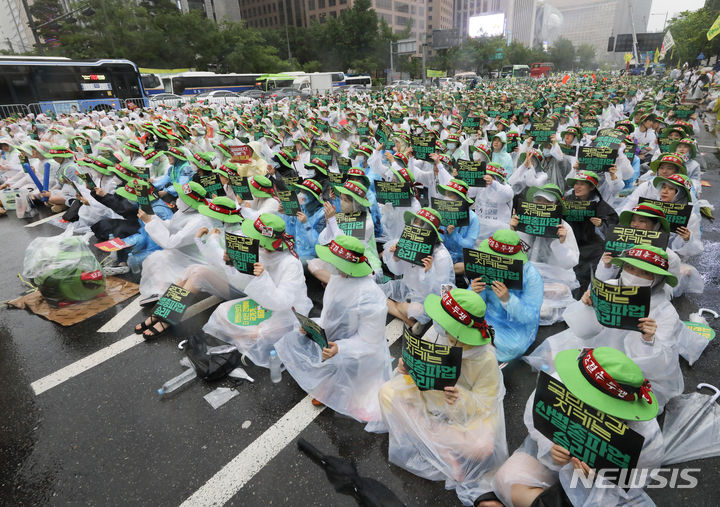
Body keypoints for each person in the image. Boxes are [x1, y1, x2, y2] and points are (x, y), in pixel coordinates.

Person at [525, 244, 708, 408]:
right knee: (559, 391)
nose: (635, 276)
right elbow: (583, 332)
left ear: (659, 279)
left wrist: (648, 340)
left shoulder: (665, 312)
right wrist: (586, 306)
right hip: (595, 355)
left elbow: (659, 365)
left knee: (615, 407)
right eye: (630, 268)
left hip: (630, 372)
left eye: (646, 273)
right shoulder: (609, 287)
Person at [373, 289, 508, 506]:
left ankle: (428, 434)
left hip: (464, 413)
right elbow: (416, 370)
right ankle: (440, 441)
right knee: (387, 392)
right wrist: (406, 370)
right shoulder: (438, 334)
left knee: (483, 447)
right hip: (431, 398)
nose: (444, 329)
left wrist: (461, 397)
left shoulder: (485, 358)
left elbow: (486, 403)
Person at [488, 347, 664, 507]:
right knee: (507, 479)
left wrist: (600, 478)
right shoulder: (561, 383)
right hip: (552, 458)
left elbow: (637, 480)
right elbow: (535, 417)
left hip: (603, 490)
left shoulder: (645, 436)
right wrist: (550, 446)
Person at [274, 235, 392, 422]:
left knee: (345, 377)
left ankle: (336, 381)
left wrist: (341, 348)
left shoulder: (371, 297)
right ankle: (331, 375)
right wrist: (312, 327)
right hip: (333, 342)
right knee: (293, 339)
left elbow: (370, 342)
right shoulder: (337, 280)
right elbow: (329, 318)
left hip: (359, 354)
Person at [203, 213, 313, 368]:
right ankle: (244, 344)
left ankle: (245, 344)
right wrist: (232, 264)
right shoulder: (259, 252)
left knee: (260, 333)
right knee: (221, 311)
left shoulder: (290, 264)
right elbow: (241, 283)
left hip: (288, 310)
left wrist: (262, 278)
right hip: (261, 301)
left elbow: (282, 302)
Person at [469, 230, 543, 362]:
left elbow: (531, 316)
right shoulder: (484, 263)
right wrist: (473, 292)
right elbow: (473, 305)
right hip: (485, 318)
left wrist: (508, 300)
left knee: (513, 347)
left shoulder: (531, 276)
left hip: (513, 327)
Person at [510, 184, 579, 325]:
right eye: (538, 200)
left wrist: (561, 242)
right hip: (527, 274)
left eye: (547, 202)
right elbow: (513, 253)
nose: (541, 205)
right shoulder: (524, 221)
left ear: (556, 205)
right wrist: (512, 231)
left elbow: (570, 263)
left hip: (554, 279)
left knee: (552, 300)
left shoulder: (564, 228)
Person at [381, 207, 455, 334]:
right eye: (415, 221)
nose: (416, 226)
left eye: (422, 224)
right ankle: (409, 320)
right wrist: (396, 257)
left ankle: (399, 308)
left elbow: (444, 290)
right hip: (407, 288)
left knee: (416, 310)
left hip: (427, 298)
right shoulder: (408, 242)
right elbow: (397, 272)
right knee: (375, 292)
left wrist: (427, 272)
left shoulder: (441, 256)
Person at [563, 171, 619, 291]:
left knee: (585, 282)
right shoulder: (566, 201)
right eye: (576, 183)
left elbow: (614, 230)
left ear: (592, 187)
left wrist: (601, 225)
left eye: (582, 184)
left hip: (592, 252)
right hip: (569, 247)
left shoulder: (602, 206)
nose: (577, 187)